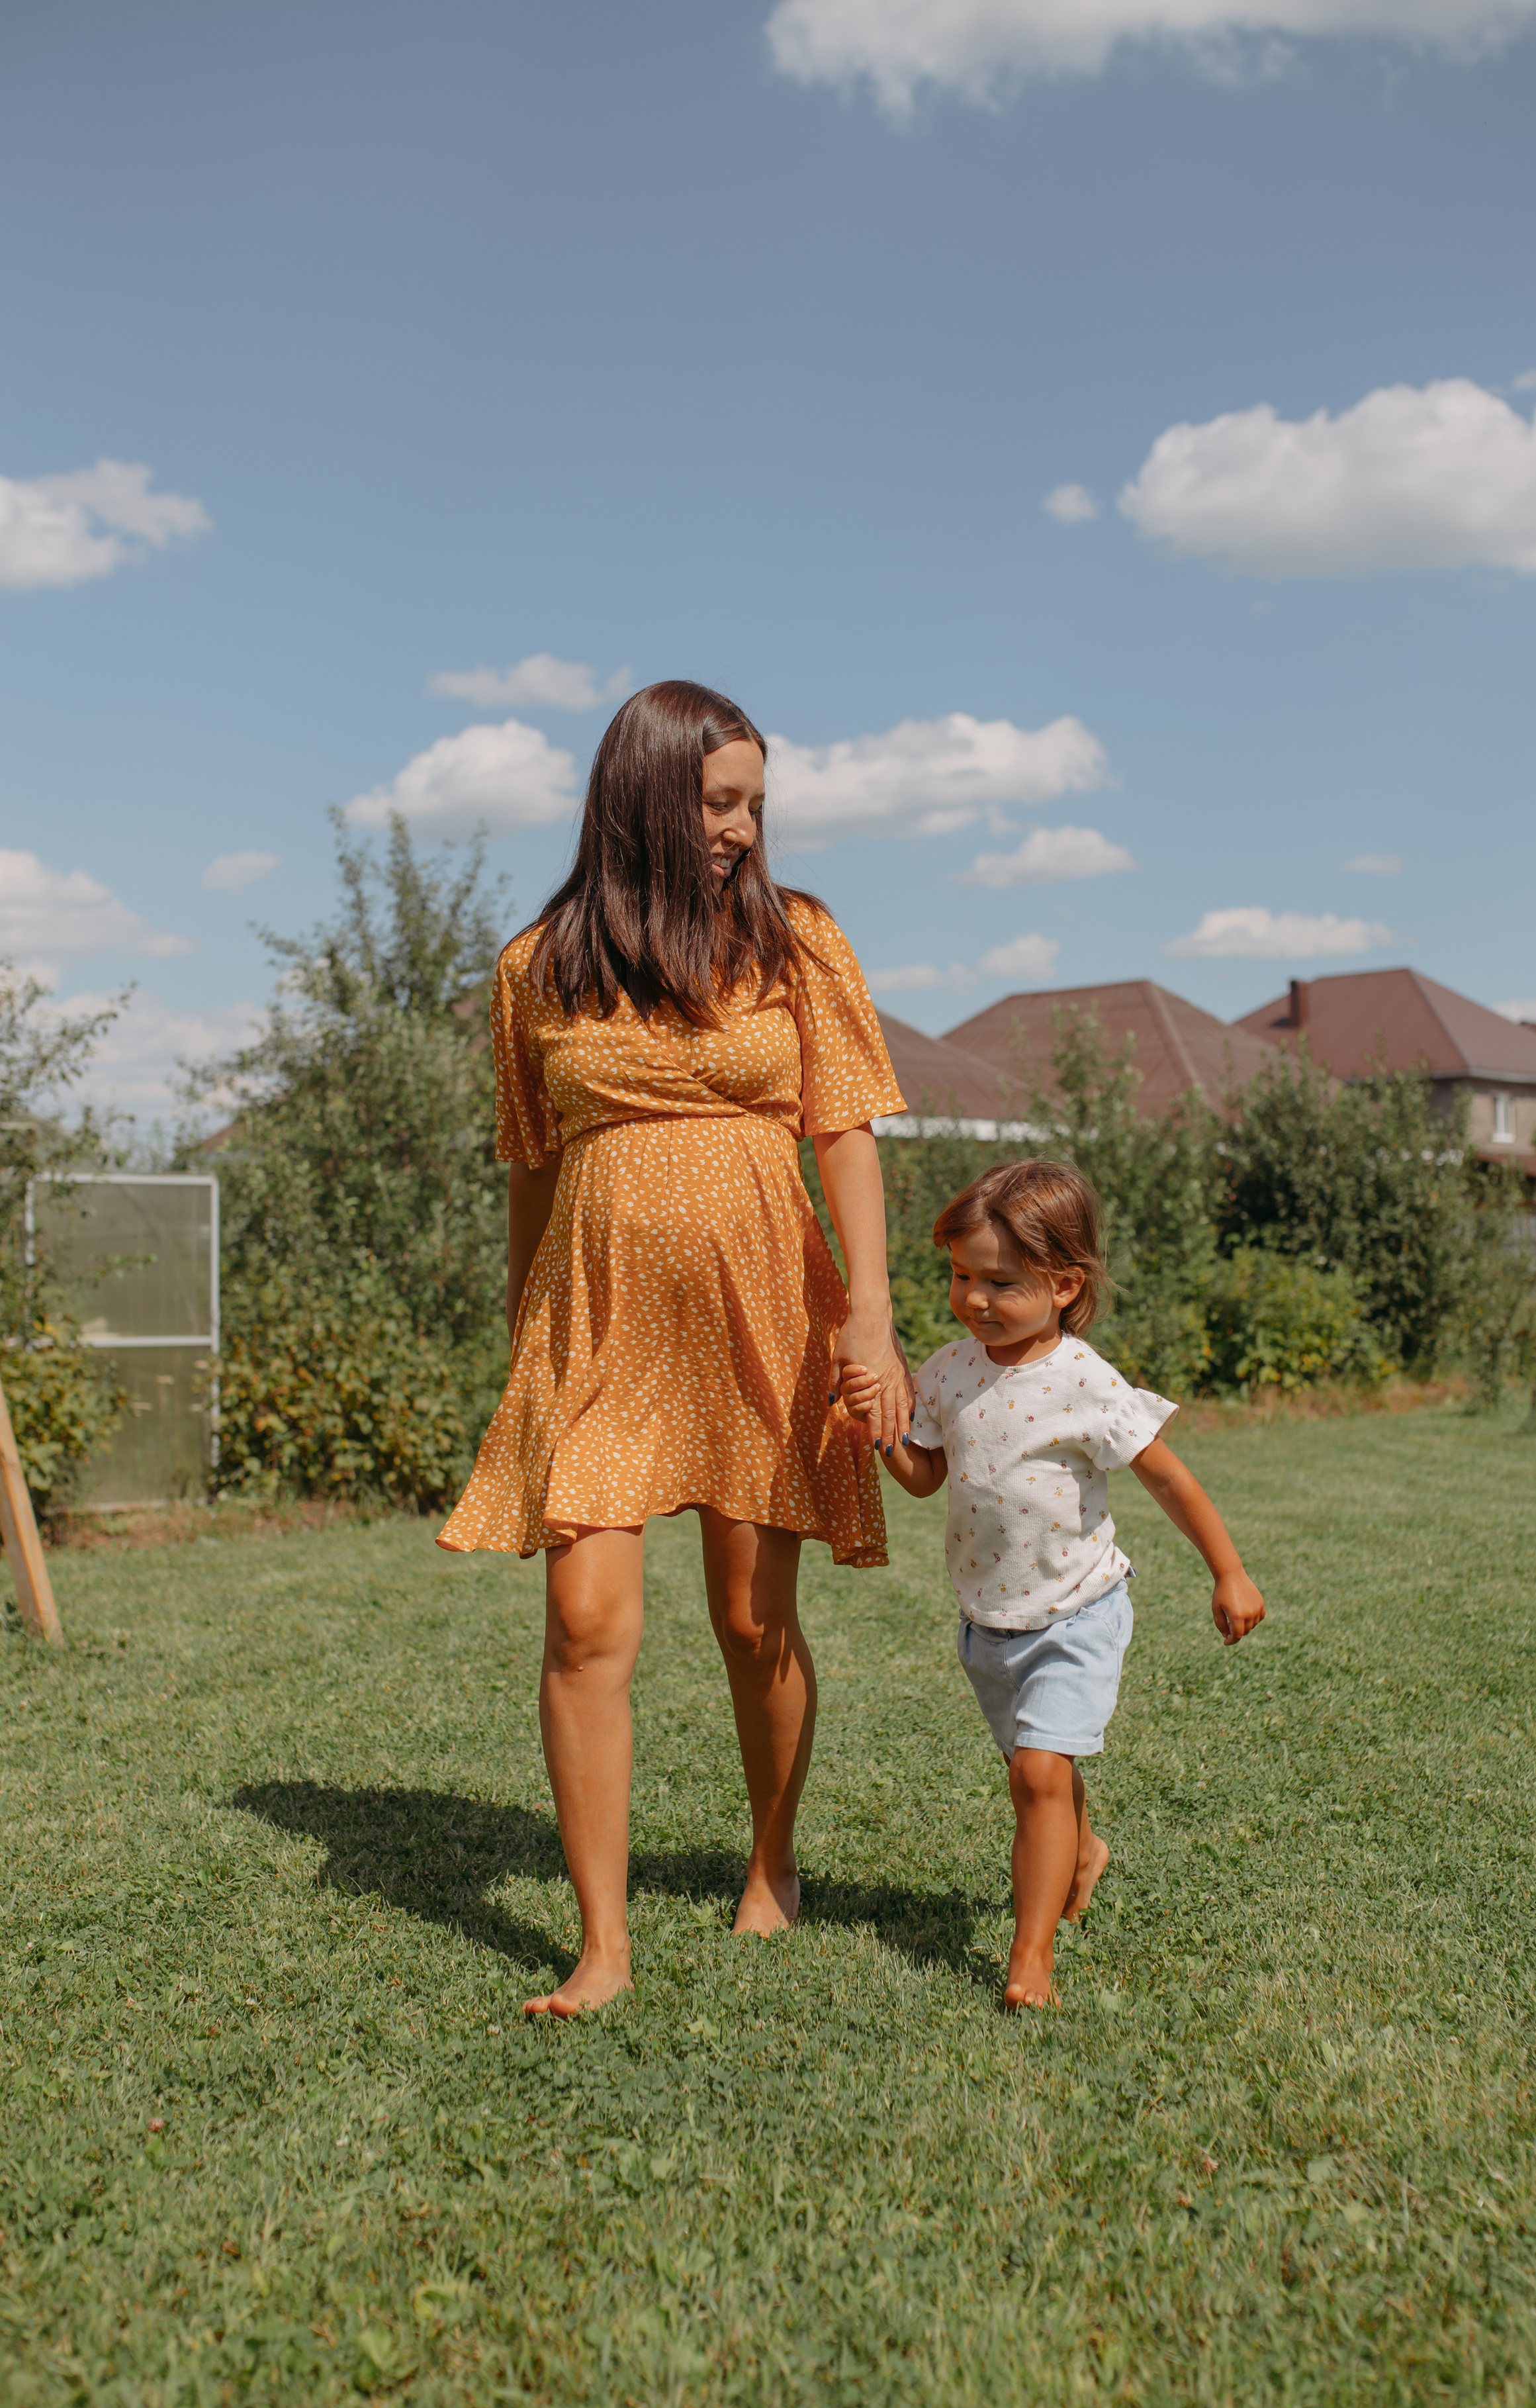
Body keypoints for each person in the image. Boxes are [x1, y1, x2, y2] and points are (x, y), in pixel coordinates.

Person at [437, 680, 913, 2016]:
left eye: (757, 804)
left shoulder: (796, 941)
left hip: (766, 1308)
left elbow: (845, 1129)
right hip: (597, 1323)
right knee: (585, 1622)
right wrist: (525, 1317)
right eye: (719, 802)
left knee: (752, 1616)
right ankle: (602, 1945)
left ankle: (773, 1858)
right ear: (645, 798)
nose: (745, 829)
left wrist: (867, 1311)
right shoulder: (535, 969)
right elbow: (532, 1162)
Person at [841, 1158, 1264, 2011]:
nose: (975, 1299)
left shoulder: (1084, 1380)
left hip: (1077, 1612)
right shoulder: (952, 1369)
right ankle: (1083, 1846)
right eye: (961, 1275)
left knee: (1037, 1773)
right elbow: (926, 1478)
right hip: (986, 1621)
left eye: (1001, 1282)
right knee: (1039, 1772)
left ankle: (1029, 1958)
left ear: (1065, 1284)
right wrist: (880, 1430)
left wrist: (1230, 1570)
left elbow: (1170, 1480)